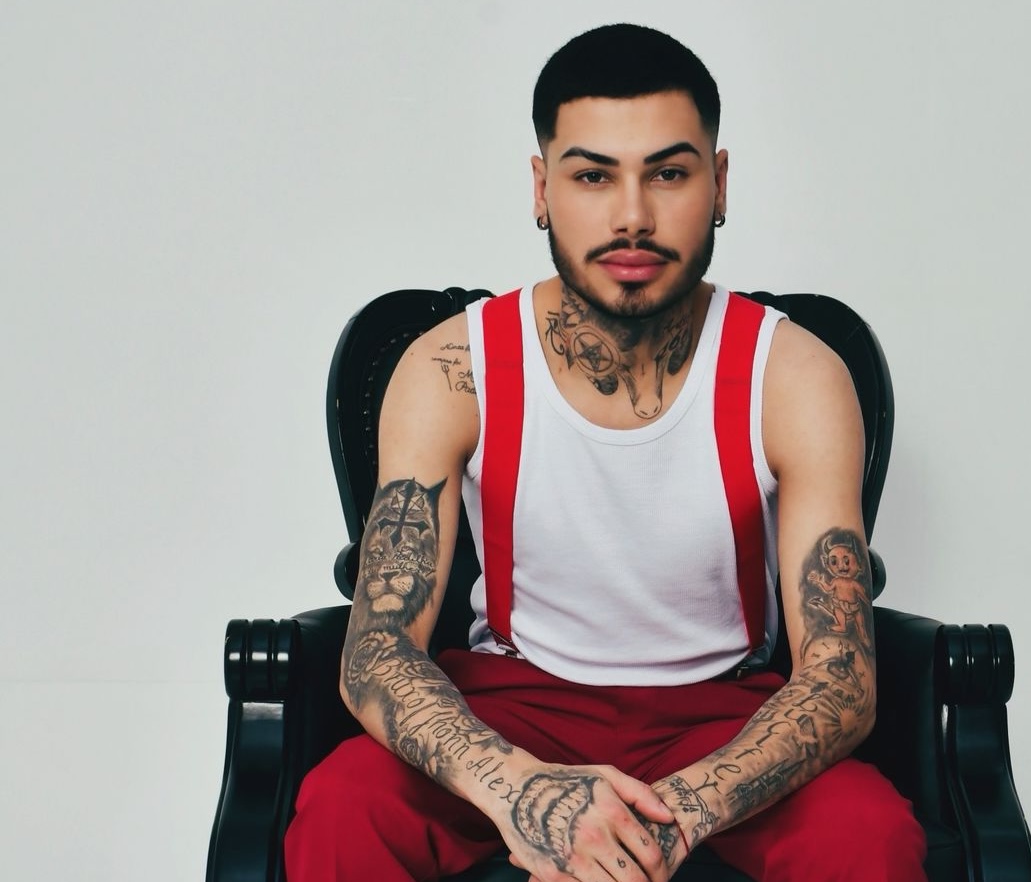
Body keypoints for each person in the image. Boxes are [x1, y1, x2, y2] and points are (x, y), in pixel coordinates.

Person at [285, 23, 926, 882]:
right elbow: (377, 651)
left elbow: (839, 676)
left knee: (866, 835)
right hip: (513, 706)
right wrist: (525, 792)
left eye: (668, 173)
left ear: (720, 183)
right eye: (593, 176)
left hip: (725, 718)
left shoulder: (794, 374)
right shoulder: (454, 367)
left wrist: (677, 814)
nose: (632, 216)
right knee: (345, 805)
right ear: (542, 189)